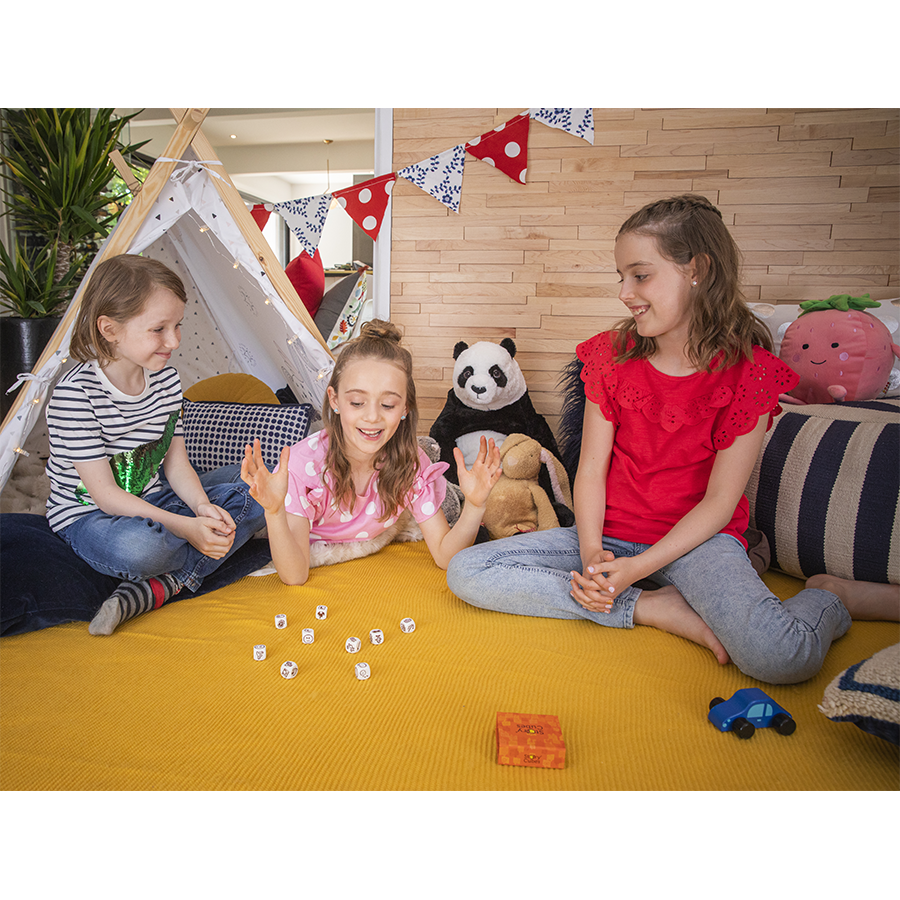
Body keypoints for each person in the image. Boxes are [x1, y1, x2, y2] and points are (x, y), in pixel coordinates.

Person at [447, 194, 900, 685]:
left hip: (697, 543)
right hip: (608, 535)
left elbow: (720, 504)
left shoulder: (749, 376)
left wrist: (638, 566)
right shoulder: (610, 358)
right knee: (467, 572)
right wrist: (594, 552)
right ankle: (652, 608)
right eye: (621, 277)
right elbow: (591, 472)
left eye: (640, 275)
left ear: (697, 270)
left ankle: (832, 597)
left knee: (782, 657)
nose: (625, 292)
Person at [45, 254, 266, 635]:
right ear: (110, 329)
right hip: (91, 516)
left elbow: (176, 464)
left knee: (265, 486)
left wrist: (200, 507)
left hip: (156, 499)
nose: (174, 341)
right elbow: (107, 496)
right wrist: (187, 527)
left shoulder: (165, 380)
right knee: (146, 551)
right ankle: (173, 572)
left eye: (177, 326)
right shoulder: (75, 395)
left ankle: (161, 587)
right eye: (159, 329)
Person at [241, 320, 502, 585]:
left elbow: (446, 557)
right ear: (335, 400)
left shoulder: (412, 465)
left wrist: (475, 505)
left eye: (388, 404)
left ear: (405, 409)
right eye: (357, 402)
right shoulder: (303, 467)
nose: (372, 416)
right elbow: (294, 575)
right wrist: (273, 513)